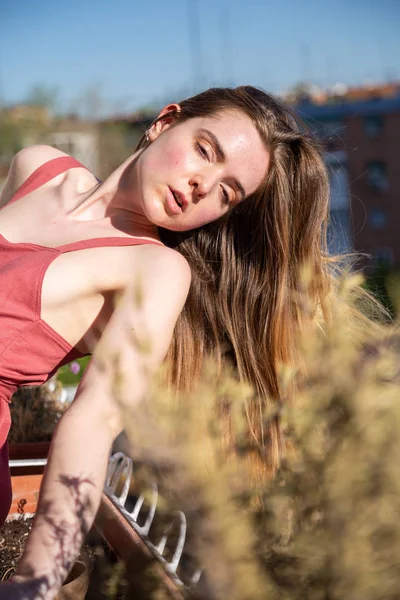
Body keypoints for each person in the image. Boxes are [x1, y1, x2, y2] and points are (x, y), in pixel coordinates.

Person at [0, 86, 331, 598]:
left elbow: (95, 420)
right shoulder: (37, 165)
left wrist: (36, 578)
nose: (203, 186)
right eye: (205, 150)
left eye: (227, 194)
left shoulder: (156, 271)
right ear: (163, 122)